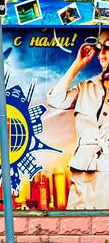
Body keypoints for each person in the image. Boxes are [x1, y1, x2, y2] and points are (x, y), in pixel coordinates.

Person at [44, 30, 109, 208]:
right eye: (99, 48)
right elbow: (55, 99)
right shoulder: (86, 88)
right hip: (82, 173)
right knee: (75, 220)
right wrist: (77, 64)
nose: (102, 53)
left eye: (108, 47)